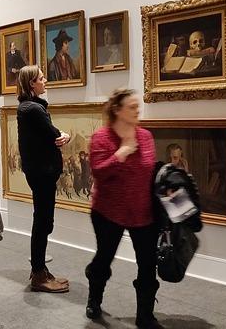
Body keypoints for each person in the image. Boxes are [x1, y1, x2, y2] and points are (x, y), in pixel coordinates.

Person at [85, 88, 162, 329]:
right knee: (104, 260)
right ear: (117, 110)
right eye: (132, 106)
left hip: (143, 212)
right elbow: (98, 172)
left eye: (137, 105)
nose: (137, 109)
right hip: (108, 211)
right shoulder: (101, 138)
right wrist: (122, 153)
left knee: (148, 265)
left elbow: (150, 171)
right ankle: (94, 299)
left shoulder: (146, 137)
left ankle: (145, 316)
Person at [16, 65, 70, 293]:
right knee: (43, 222)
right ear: (32, 84)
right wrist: (63, 136)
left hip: (40, 172)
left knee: (43, 220)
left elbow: (51, 134)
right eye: (41, 78)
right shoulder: (33, 109)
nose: (45, 80)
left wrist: (60, 137)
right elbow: (54, 134)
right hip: (42, 173)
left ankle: (39, 269)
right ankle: (38, 273)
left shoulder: (30, 107)